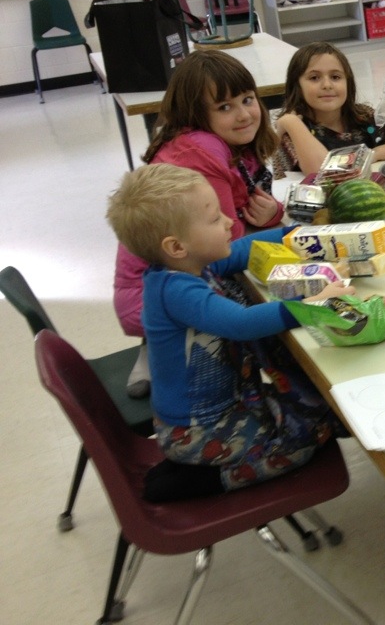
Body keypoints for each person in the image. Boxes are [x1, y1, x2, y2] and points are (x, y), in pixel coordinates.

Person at [106, 164, 353, 499]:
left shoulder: (189, 263)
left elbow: (242, 249)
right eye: (214, 219)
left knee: (313, 407)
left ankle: (199, 464)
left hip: (228, 404)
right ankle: (205, 480)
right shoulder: (174, 290)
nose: (228, 222)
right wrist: (311, 302)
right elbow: (241, 323)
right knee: (305, 438)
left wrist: (297, 235)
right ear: (176, 246)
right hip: (198, 429)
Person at [113, 49, 285, 398]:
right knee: (268, 318)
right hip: (148, 298)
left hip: (185, 270)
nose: (243, 114)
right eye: (224, 107)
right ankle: (164, 345)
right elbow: (227, 237)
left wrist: (278, 218)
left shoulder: (227, 142)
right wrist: (309, 308)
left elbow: (247, 205)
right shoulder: (202, 153)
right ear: (196, 115)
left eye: (247, 99)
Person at [272, 41, 385, 176]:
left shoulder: (364, 117)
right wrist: (291, 122)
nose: (327, 85)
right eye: (314, 78)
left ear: (348, 83)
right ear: (297, 86)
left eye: (335, 77)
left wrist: (373, 154)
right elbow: (321, 171)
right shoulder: (294, 131)